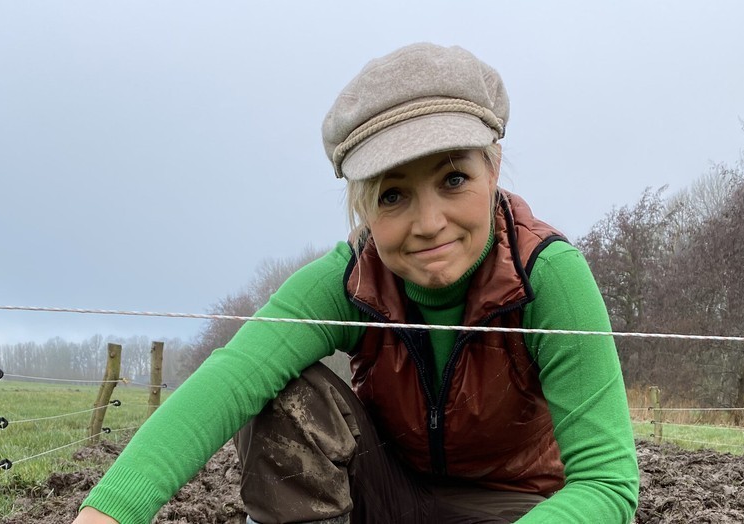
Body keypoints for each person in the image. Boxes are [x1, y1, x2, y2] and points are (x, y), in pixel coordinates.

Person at [72, 42, 639, 524]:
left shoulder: (547, 274)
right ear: (363, 207)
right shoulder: (350, 278)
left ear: (493, 166)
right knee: (285, 399)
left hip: (515, 507)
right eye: (393, 194)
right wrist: (109, 512)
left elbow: (607, 485)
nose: (429, 222)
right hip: (386, 494)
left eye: (454, 178)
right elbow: (231, 379)